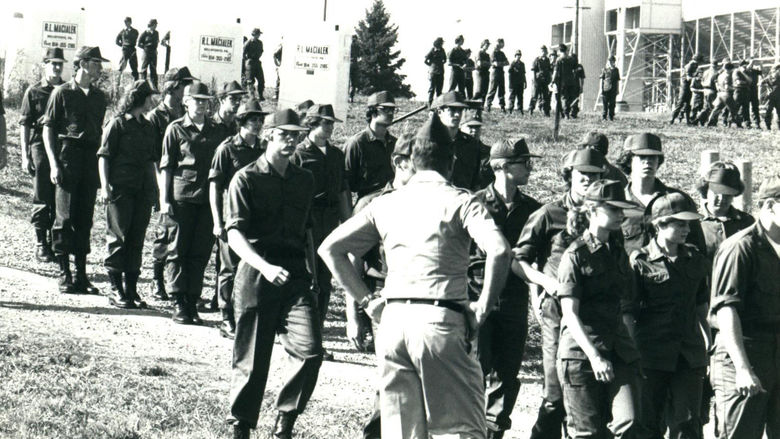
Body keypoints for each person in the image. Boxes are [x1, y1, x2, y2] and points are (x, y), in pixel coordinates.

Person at [320, 113, 511, 439]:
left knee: (402, 434)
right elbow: (500, 251)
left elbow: (330, 249)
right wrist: (481, 308)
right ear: (451, 162)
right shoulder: (461, 201)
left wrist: (367, 302)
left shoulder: (386, 203)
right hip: (440, 320)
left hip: (393, 324)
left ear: (414, 161)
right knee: (460, 430)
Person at [226, 108, 321, 439]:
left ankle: (284, 423)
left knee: (311, 352)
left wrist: (313, 276)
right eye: (284, 134)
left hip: (295, 274)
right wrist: (263, 267)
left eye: (296, 135)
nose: (291, 141)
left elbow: (307, 230)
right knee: (252, 359)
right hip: (257, 271)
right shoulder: (246, 178)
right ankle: (241, 427)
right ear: (268, 135)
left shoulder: (304, 179)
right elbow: (234, 234)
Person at [516, 148, 609, 439]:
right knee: (555, 392)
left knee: (591, 393)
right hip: (557, 313)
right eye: (583, 176)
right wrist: (543, 283)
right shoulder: (548, 214)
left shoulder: (607, 216)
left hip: (595, 314)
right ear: (570, 177)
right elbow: (518, 260)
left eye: (595, 176)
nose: (589, 181)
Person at [556, 179, 641, 439]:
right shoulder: (575, 255)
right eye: (614, 209)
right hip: (581, 355)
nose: (621, 215)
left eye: (622, 209)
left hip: (618, 350)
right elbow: (570, 314)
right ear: (592, 211)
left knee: (629, 420)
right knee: (588, 433)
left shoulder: (616, 251)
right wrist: (594, 356)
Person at [473, 138, 542, 439]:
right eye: (523, 162)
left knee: (507, 374)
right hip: (477, 299)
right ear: (501, 166)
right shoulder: (474, 204)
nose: (529, 168)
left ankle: (494, 432)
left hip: (514, 300)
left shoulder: (534, 210)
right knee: (475, 371)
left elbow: (538, 260)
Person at [627, 192, 710, 439]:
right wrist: (632, 355)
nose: (687, 229)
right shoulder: (640, 261)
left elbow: (701, 306)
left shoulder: (695, 259)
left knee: (687, 424)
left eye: (688, 224)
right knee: (648, 424)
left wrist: (709, 345)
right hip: (651, 355)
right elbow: (628, 313)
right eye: (679, 223)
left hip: (689, 354)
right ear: (659, 225)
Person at [351, 131, 416, 439]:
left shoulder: (429, 203)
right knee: (391, 377)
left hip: (421, 299)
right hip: (384, 298)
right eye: (419, 163)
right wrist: (357, 313)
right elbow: (350, 258)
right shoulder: (374, 202)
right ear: (399, 163)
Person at [708, 174, 780, 439]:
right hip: (744, 355)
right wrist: (742, 369)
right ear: (770, 206)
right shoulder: (740, 247)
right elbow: (727, 310)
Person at [42, 46, 109, 295]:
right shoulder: (61, 93)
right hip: (67, 157)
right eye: (96, 63)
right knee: (64, 218)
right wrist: (53, 163)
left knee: (84, 219)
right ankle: (64, 273)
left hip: (90, 158)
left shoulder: (99, 97)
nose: (100, 68)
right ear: (83, 64)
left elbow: (99, 131)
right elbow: (48, 128)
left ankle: (81, 275)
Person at [159, 81, 223, 325]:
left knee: (200, 252)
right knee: (178, 250)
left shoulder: (216, 130)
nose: (201, 105)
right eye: (196, 100)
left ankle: (192, 299)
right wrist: (164, 200)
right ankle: (178, 302)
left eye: (205, 101)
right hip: (181, 196)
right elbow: (166, 167)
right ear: (185, 102)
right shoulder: (175, 129)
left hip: (207, 199)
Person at [291, 104, 351, 360]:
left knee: (325, 280)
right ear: (312, 123)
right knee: (308, 278)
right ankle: (302, 337)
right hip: (308, 221)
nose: (330, 127)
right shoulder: (300, 154)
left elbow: (343, 191)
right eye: (325, 122)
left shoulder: (337, 155)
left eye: (331, 123)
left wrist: (348, 225)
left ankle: (317, 335)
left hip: (330, 222)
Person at [208, 99, 267, 339]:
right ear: (241, 121)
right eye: (252, 119)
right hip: (232, 218)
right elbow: (214, 186)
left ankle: (247, 314)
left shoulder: (263, 149)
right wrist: (217, 221)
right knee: (229, 268)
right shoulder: (227, 148)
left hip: (257, 219)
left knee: (253, 267)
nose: (257, 124)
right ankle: (226, 317)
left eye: (260, 120)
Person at [98, 80, 158, 309]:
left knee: (136, 239)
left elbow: (151, 162)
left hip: (142, 191)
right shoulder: (118, 124)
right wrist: (105, 187)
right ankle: (115, 289)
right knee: (119, 238)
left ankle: (131, 290)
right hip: (120, 189)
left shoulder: (149, 126)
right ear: (138, 98)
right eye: (149, 97)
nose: (153, 101)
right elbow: (104, 156)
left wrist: (154, 191)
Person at [146, 66, 198, 300]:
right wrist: (161, 190)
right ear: (175, 86)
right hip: (162, 180)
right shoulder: (156, 116)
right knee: (164, 232)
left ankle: (177, 281)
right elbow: (154, 157)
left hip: (183, 184)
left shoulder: (185, 114)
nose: (188, 88)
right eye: (186, 84)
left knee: (183, 235)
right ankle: (157, 279)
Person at [617, 133, 705, 256]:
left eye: (653, 157)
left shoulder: (679, 201)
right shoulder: (619, 202)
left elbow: (697, 247)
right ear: (628, 161)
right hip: (629, 272)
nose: (648, 162)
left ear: (659, 161)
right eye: (642, 157)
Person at [20, 48, 66, 263]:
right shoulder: (34, 91)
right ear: (45, 64)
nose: (57, 67)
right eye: (53, 63)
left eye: (60, 64)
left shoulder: (67, 90)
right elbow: (25, 125)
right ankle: (41, 243)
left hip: (62, 146)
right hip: (39, 144)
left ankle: (55, 241)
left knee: (60, 195)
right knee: (42, 194)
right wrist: (25, 155)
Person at [344, 91, 397, 204]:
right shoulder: (357, 143)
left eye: (392, 110)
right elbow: (345, 185)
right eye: (385, 109)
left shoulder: (396, 144)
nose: (390, 113)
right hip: (367, 204)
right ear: (372, 111)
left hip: (393, 203)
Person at [697, 161, 755, 263]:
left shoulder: (747, 222)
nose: (721, 198)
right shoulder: (695, 222)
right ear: (706, 190)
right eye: (716, 193)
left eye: (727, 194)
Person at [433, 91, 483, 190]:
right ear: (440, 112)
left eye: (460, 110)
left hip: (464, 201)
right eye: (452, 109)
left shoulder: (471, 144)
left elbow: (475, 182)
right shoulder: (429, 142)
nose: (457, 114)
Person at [706, 60, 742, 128]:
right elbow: (727, 87)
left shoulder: (720, 75)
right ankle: (738, 124)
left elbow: (718, 85)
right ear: (730, 69)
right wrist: (735, 88)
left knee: (716, 109)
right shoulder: (727, 76)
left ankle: (710, 122)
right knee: (734, 109)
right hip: (726, 94)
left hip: (720, 94)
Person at [670, 54, 702, 124]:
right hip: (685, 86)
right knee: (680, 103)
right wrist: (696, 79)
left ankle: (688, 121)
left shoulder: (694, 65)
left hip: (689, 86)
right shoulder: (690, 65)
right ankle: (672, 119)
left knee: (688, 104)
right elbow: (688, 78)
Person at [551, 44, 578, 119]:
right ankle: (573, 111)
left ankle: (566, 114)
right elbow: (575, 70)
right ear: (566, 50)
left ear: (560, 50)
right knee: (571, 97)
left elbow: (555, 71)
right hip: (571, 81)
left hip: (562, 82)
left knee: (564, 97)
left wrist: (552, 81)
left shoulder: (559, 60)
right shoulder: (571, 59)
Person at [485, 38, 509, 112]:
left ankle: (502, 106)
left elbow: (507, 62)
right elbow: (496, 63)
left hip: (501, 72)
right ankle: (488, 105)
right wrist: (502, 63)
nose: (503, 45)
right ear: (498, 43)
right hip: (495, 72)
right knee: (493, 89)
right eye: (502, 43)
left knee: (502, 90)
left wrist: (500, 63)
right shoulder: (493, 53)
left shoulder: (502, 53)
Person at [695, 59, 720, 126]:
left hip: (705, 90)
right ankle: (712, 122)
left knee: (706, 107)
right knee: (713, 107)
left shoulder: (705, 72)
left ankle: (699, 119)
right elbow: (716, 83)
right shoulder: (716, 72)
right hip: (712, 90)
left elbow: (702, 81)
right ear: (716, 65)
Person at [529, 45, 552, 116]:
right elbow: (533, 71)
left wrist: (549, 79)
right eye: (542, 51)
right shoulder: (537, 60)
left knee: (545, 96)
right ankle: (531, 109)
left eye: (545, 51)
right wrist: (535, 81)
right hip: (537, 80)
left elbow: (549, 70)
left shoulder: (548, 60)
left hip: (544, 81)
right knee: (534, 96)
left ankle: (546, 111)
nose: (544, 52)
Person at [115, 17, 139, 84]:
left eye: (128, 22)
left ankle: (136, 82)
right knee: (122, 65)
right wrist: (123, 45)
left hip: (132, 50)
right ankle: (118, 82)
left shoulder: (135, 31)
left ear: (130, 22)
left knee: (134, 66)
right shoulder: (122, 32)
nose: (126, 23)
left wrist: (129, 44)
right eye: (125, 22)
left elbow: (135, 39)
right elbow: (117, 41)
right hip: (125, 50)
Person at [243, 28, 265, 101]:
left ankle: (261, 95)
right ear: (254, 34)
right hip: (250, 63)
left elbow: (261, 51)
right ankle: (252, 96)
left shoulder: (260, 43)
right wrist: (247, 60)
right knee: (250, 81)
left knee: (261, 80)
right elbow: (243, 52)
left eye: (259, 34)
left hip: (257, 62)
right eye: (258, 34)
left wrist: (257, 57)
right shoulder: (248, 42)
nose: (259, 35)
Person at [137, 19, 160, 88]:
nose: (155, 26)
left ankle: (154, 87)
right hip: (146, 53)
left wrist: (155, 49)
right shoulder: (145, 33)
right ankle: (142, 86)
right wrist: (145, 47)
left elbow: (156, 42)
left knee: (153, 69)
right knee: (144, 69)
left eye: (156, 25)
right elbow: (139, 43)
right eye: (154, 25)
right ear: (151, 25)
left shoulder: (156, 33)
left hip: (153, 53)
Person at [424, 37, 447, 105]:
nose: (442, 44)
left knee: (439, 89)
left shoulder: (442, 50)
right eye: (441, 43)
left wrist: (441, 63)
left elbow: (445, 59)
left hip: (440, 71)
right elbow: (425, 60)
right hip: (433, 72)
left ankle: (438, 104)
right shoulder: (432, 50)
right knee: (432, 88)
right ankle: (430, 103)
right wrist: (431, 65)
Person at [600, 55, 620, 121]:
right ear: (608, 62)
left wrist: (617, 89)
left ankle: (611, 117)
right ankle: (604, 117)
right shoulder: (604, 70)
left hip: (613, 89)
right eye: (610, 61)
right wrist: (601, 89)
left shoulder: (616, 70)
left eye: (613, 61)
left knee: (612, 103)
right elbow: (602, 80)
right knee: (605, 104)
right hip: (605, 89)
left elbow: (617, 80)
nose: (611, 62)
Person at [507, 50, 526, 115]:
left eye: (519, 55)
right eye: (517, 55)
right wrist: (510, 85)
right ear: (515, 55)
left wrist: (525, 82)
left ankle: (520, 110)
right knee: (512, 97)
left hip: (520, 83)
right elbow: (509, 74)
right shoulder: (512, 64)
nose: (518, 56)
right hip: (514, 83)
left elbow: (523, 74)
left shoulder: (522, 64)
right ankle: (510, 109)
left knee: (520, 97)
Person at [474, 39, 492, 103]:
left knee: (485, 90)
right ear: (483, 45)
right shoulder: (479, 53)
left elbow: (490, 64)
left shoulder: (487, 55)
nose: (487, 46)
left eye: (488, 45)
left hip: (486, 72)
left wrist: (485, 63)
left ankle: (481, 106)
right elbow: (480, 63)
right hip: (480, 72)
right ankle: (472, 103)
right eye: (486, 45)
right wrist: (486, 63)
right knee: (479, 90)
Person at [764, 63, 780, 130]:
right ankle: (768, 126)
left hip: (775, 96)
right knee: (769, 111)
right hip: (772, 96)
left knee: (775, 112)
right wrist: (767, 87)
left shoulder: (770, 76)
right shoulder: (770, 76)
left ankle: (769, 126)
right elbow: (761, 83)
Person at [569, 54, 586, 118]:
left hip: (576, 86)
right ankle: (568, 112)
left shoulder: (579, 66)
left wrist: (582, 87)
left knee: (575, 99)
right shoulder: (568, 66)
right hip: (569, 86)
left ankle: (574, 113)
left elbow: (582, 78)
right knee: (569, 99)